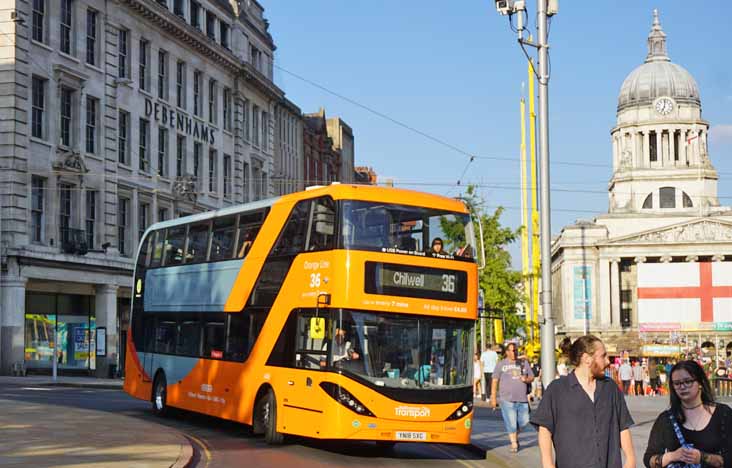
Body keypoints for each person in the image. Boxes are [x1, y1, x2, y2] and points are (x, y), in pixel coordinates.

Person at [531, 335, 636, 468]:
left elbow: (623, 426)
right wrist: (548, 464)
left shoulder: (610, 388)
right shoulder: (557, 389)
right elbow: (544, 429)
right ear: (587, 359)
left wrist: (630, 459)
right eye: (603, 356)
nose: (607, 361)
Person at [643, 360, 732, 467]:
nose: (682, 387)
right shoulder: (666, 419)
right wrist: (672, 456)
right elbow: (648, 459)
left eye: (688, 381)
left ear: (700, 383)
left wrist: (702, 457)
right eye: (677, 383)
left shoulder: (723, 414)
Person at [489, 342, 534, 453]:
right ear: (507, 352)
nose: (513, 353)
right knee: (511, 422)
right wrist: (493, 397)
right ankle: (514, 443)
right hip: (506, 398)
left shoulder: (523, 363)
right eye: (511, 350)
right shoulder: (501, 364)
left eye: (515, 350)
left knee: (524, 421)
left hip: (522, 398)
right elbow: (495, 381)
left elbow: (532, 377)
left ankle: (514, 436)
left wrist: (526, 379)